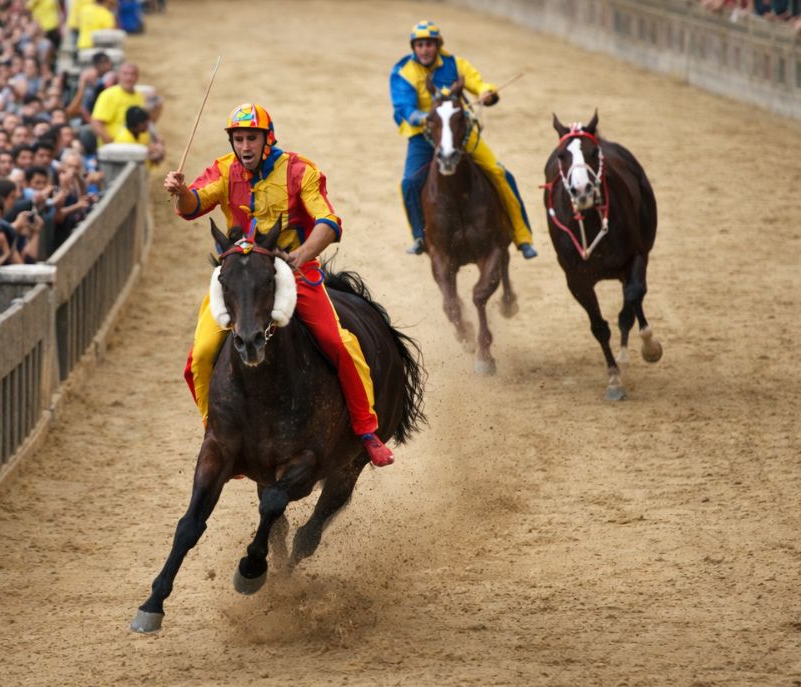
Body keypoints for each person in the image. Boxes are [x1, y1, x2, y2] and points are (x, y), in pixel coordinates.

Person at [162, 103, 394, 467]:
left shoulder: (300, 171)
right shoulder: (223, 170)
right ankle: (215, 432)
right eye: (239, 139)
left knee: (338, 343)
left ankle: (366, 430)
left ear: (267, 139)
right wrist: (180, 192)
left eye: (251, 138)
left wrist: (302, 254)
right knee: (200, 357)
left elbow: (329, 221)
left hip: (292, 270)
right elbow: (193, 205)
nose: (244, 146)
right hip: (241, 276)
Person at [390, 21, 536, 258]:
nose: (424, 49)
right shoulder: (402, 72)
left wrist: (486, 92)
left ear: (438, 45)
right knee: (409, 183)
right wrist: (430, 117)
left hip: (459, 132)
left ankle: (522, 236)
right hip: (423, 136)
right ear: (413, 47)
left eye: (429, 44)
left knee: (499, 172)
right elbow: (404, 108)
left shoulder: (455, 64)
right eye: (420, 45)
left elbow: (478, 83)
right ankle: (419, 236)